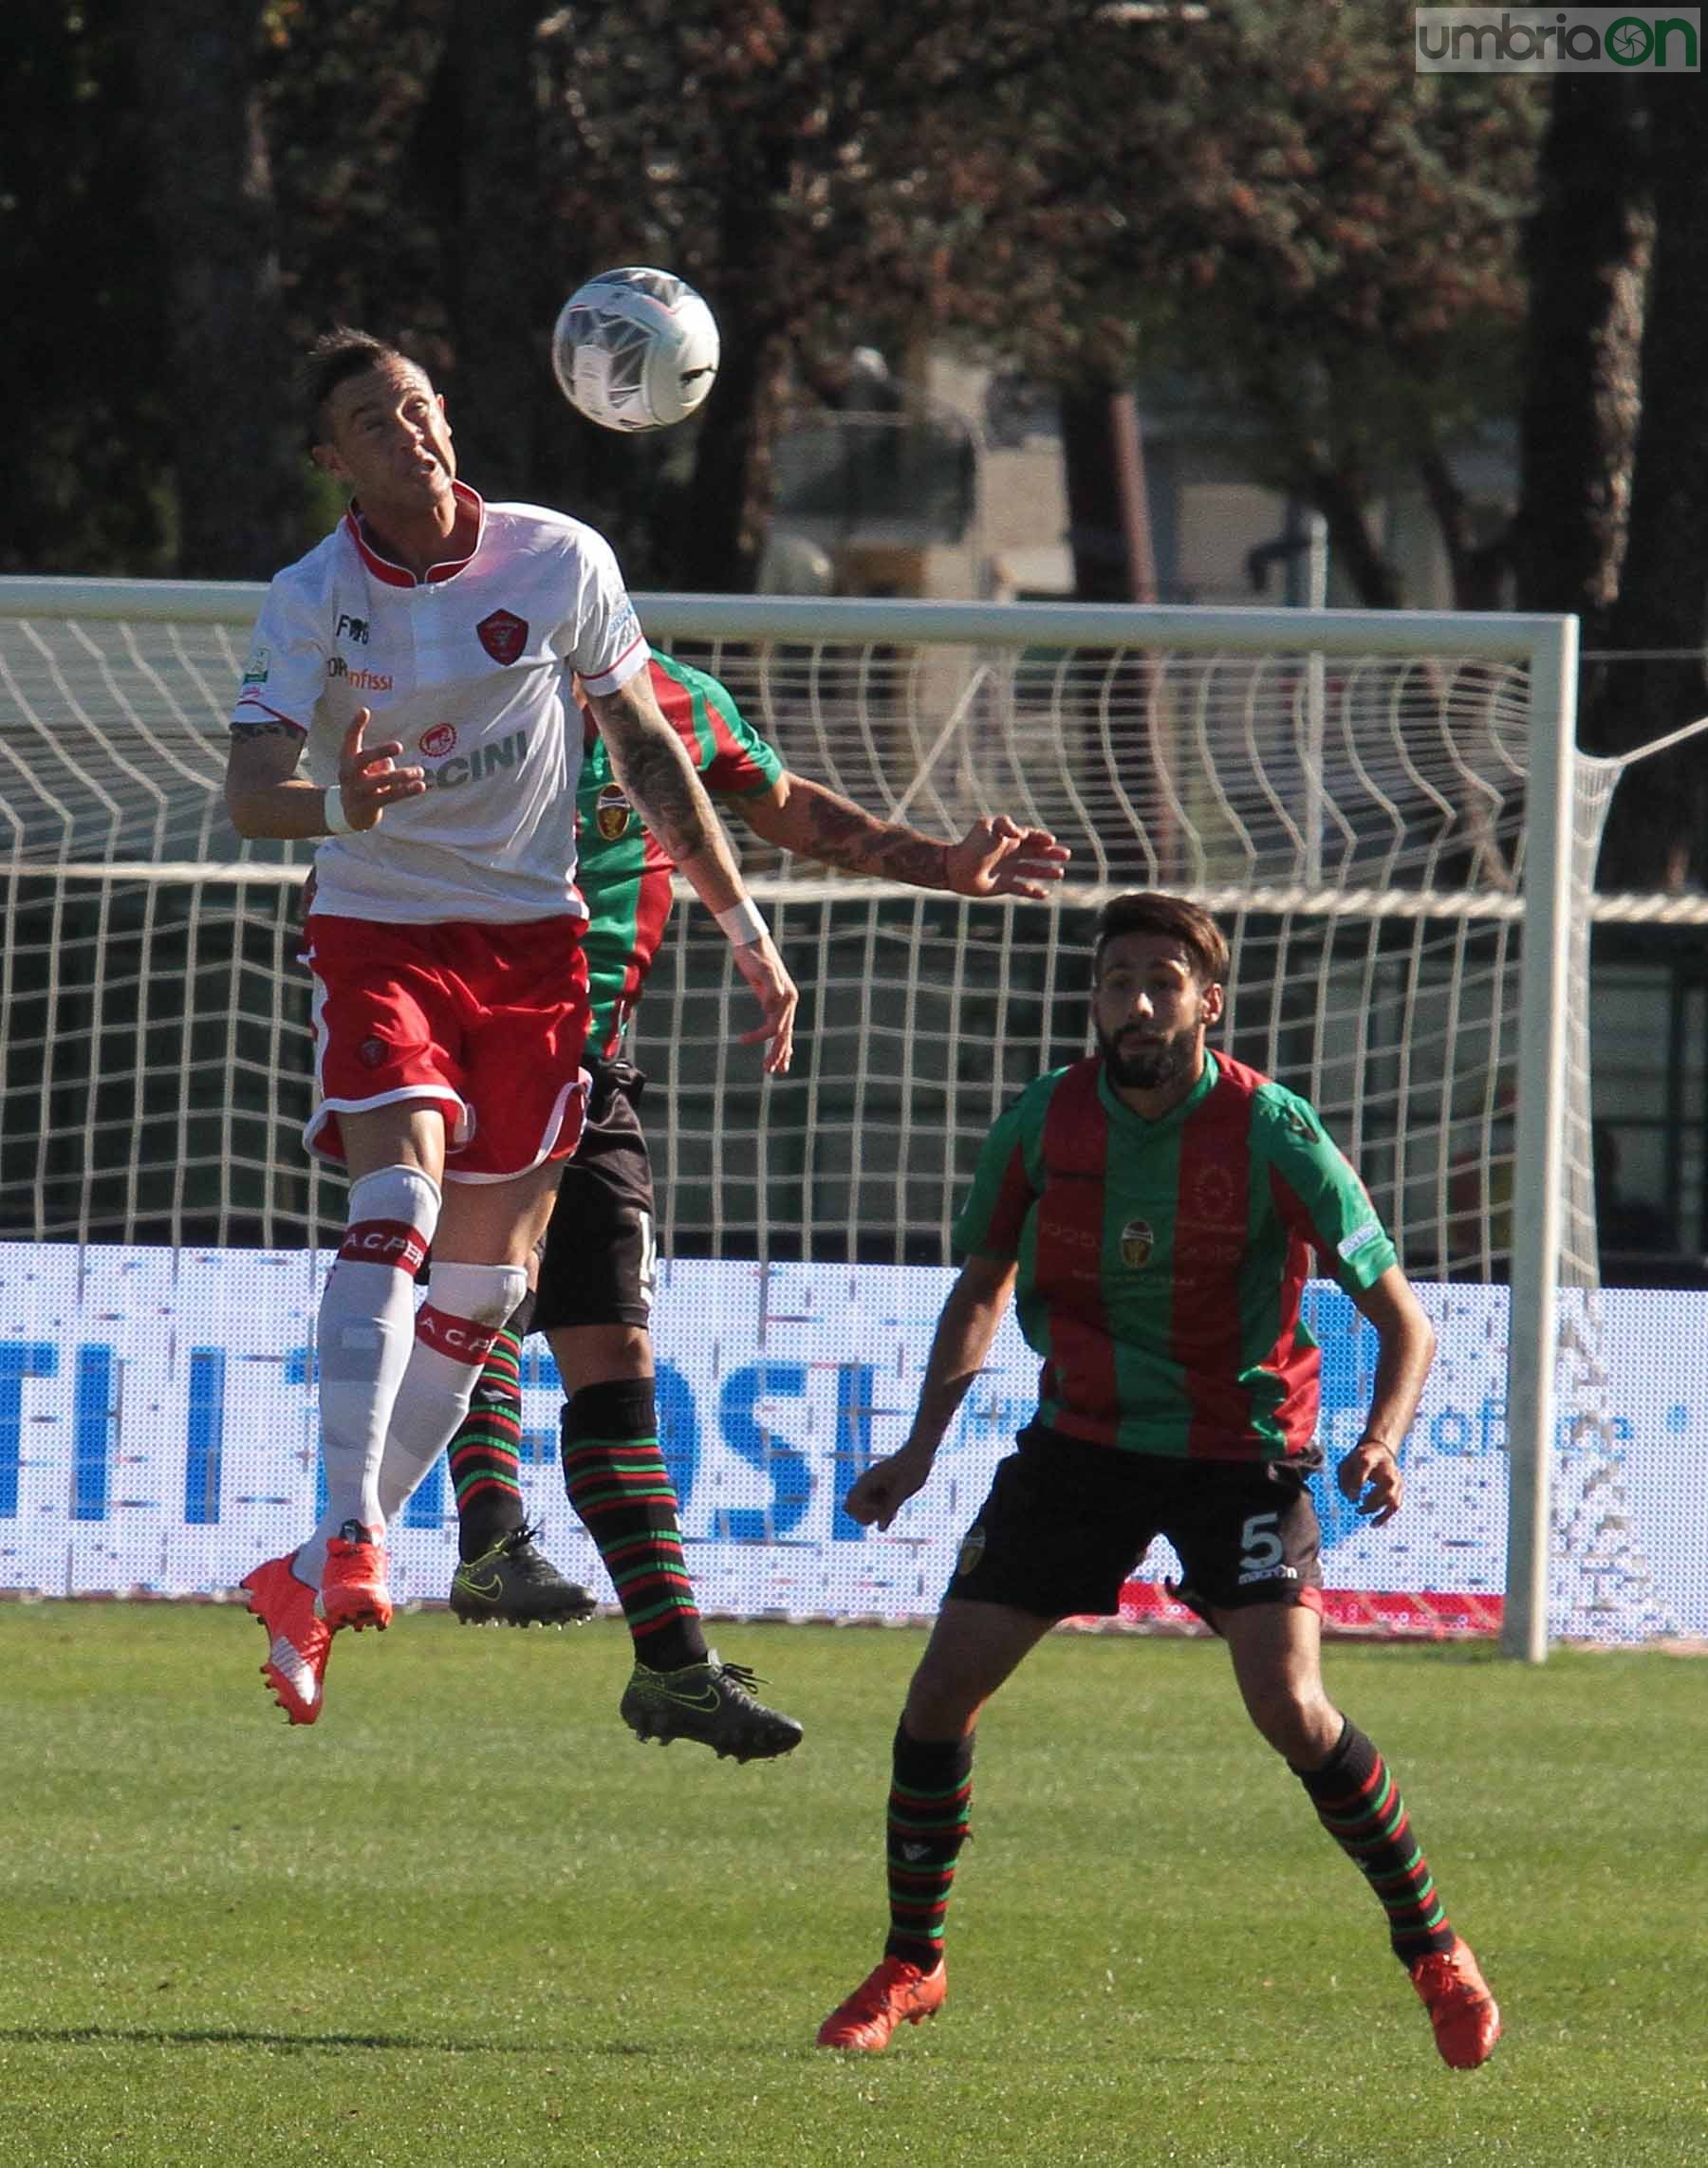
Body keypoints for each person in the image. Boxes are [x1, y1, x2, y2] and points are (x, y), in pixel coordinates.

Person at [813, 891, 1500, 2069]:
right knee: (938, 1696)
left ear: (1206, 1002)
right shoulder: (1043, 1122)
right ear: (1094, 996)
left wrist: (1380, 1439)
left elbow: (1405, 1322)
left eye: (1163, 981)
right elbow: (980, 1291)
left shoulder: (1272, 1130)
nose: (1137, 1000)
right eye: (1118, 977)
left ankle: (1435, 1947)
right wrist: (919, 1451)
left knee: (1290, 1706)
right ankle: (913, 1961)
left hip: (1238, 1454)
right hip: (1082, 1444)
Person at [224, 327, 796, 1730]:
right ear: (331, 460)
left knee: (483, 1292)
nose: (410, 429)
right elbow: (252, 796)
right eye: (373, 418)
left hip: (537, 952)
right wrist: (341, 807)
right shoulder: (309, 598)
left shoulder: (558, 557)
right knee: (398, 1191)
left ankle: (306, 1576)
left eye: (420, 402)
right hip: (381, 932)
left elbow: (655, 748)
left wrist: (743, 925)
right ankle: (353, 1530)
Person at [433, 645, 1070, 1766]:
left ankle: (672, 1663)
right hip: (467, 1032)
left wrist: (944, 863)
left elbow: (787, 810)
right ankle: (489, 1529)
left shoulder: (674, 700)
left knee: (614, 1349)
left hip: (594, 1059)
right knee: (493, 1273)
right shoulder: (462, 682)